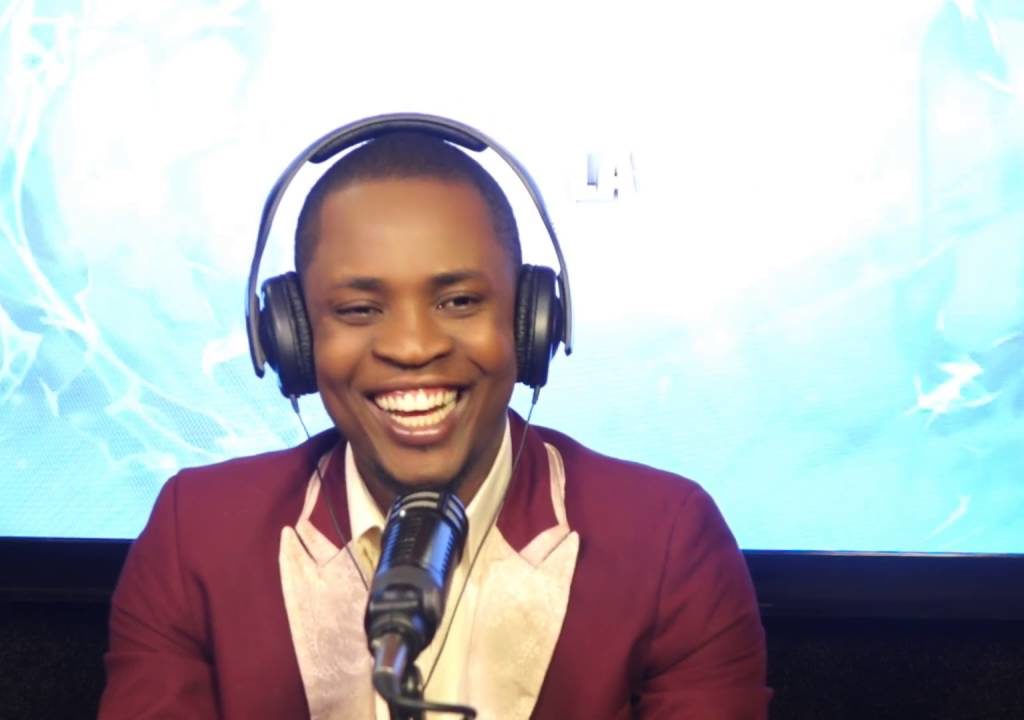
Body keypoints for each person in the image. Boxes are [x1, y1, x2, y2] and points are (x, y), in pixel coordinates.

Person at [99, 124, 770, 719]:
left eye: (458, 301)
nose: (413, 347)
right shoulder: (197, 534)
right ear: (292, 338)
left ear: (531, 322)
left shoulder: (667, 540)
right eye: (359, 310)